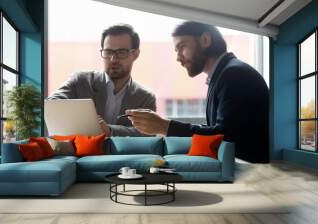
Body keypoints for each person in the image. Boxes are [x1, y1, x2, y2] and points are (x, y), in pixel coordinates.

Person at [126, 21, 269, 163]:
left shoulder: (234, 74)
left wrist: (164, 126)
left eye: (181, 47)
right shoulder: (224, 74)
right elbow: (222, 130)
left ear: (205, 40)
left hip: (251, 172)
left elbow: (225, 136)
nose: (178, 58)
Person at [48, 24, 156, 137]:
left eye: (121, 52)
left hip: (121, 154)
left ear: (135, 54)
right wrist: (87, 120)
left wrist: (110, 130)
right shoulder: (81, 81)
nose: (113, 59)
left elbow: (147, 134)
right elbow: (52, 104)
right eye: (108, 52)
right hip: (82, 151)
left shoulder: (145, 98)